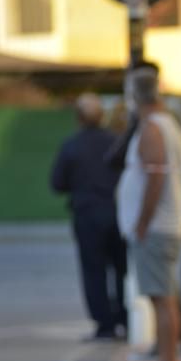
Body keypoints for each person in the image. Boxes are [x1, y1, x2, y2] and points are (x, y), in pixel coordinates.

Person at [116, 62, 181, 361]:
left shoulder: (153, 128)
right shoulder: (165, 124)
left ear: (134, 95)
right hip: (164, 226)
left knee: (162, 299)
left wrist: (142, 223)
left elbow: (155, 176)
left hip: (157, 228)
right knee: (164, 297)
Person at [50, 93, 127, 341]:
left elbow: (57, 183)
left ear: (79, 118)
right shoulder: (116, 143)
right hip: (117, 214)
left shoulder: (71, 146)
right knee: (122, 269)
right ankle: (126, 320)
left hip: (87, 216)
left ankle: (104, 325)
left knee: (94, 271)